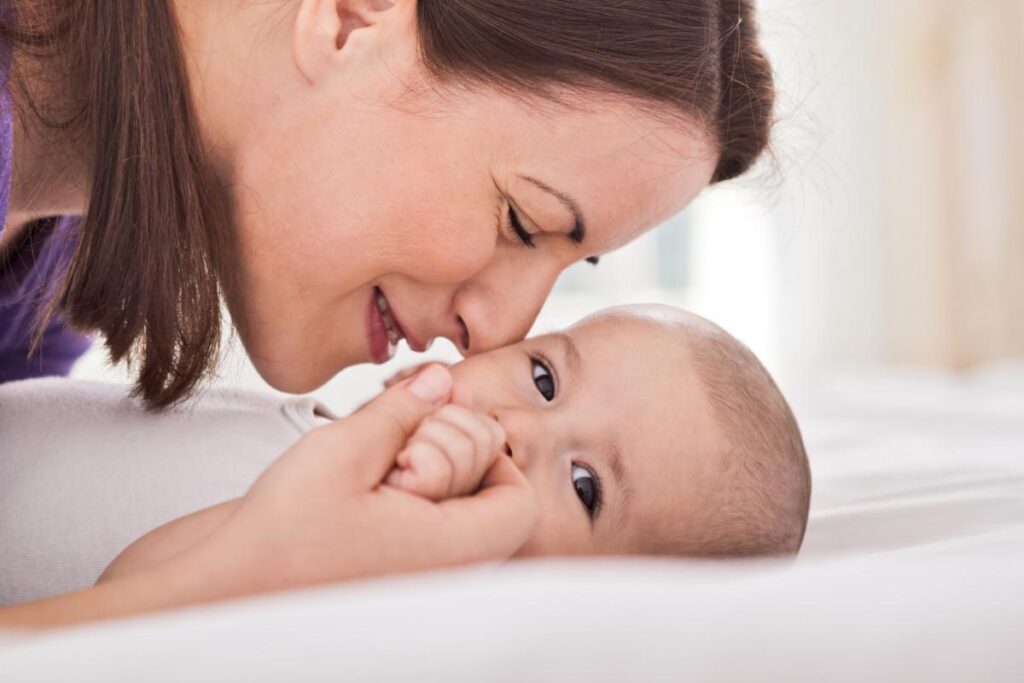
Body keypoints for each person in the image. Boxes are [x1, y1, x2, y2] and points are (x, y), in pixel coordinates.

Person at [0, 0, 775, 626]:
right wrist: (229, 583)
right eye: (521, 221)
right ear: (352, 17)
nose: (500, 334)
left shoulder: (45, 277)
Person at [0, 305, 810, 605]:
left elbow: (131, 595)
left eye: (585, 484)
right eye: (542, 376)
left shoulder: (359, 575)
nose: (519, 429)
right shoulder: (320, 429)